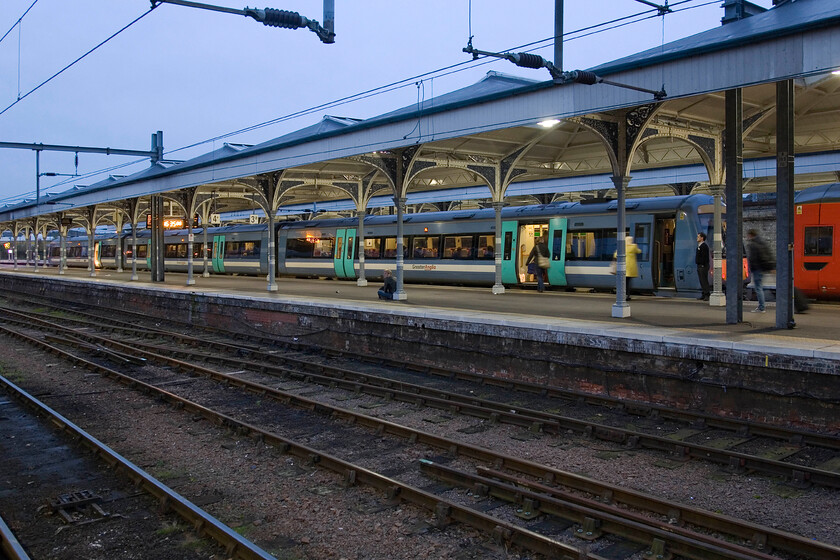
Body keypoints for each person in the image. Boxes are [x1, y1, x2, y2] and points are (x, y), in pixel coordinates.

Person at [746, 229, 771, 313]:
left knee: (758, 288)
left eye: (748, 235)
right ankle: (761, 306)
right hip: (762, 269)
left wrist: (752, 268)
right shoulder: (761, 242)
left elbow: (753, 258)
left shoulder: (753, 244)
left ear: (751, 235)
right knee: (760, 287)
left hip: (757, 269)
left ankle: (761, 307)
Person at [623, 236, 642, 301]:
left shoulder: (623, 247)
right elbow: (639, 251)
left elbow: (615, 254)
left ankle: (623, 295)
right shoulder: (633, 246)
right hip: (631, 267)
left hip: (624, 266)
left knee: (624, 282)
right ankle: (628, 295)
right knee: (628, 282)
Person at [696, 232, 711, 301]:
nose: (697, 238)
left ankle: (707, 294)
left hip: (703, 266)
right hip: (699, 265)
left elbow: (704, 257)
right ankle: (703, 293)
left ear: (702, 238)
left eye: (698, 237)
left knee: (704, 280)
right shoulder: (699, 246)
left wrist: (702, 264)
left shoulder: (704, 246)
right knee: (701, 280)